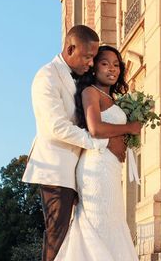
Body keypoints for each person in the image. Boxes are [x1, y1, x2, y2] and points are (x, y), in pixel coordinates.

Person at [22, 25, 137, 261]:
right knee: (58, 235)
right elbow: (56, 127)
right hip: (56, 168)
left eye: (95, 58)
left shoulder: (80, 80)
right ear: (70, 48)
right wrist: (103, 143)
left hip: (78, 167)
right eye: (88, 56)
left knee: (73, 236)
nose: (91, 63)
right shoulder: (47, 76)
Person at [54, 45, 141, 260]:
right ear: (94, 68)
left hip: (110, 168)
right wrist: (129, 128)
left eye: (116, 65)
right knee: (98, 222)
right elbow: (96, 129)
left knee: (113, 221)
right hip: (96, 167)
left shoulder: (112, 99)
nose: (112, 69)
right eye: (105, 63)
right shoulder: (90, 92)